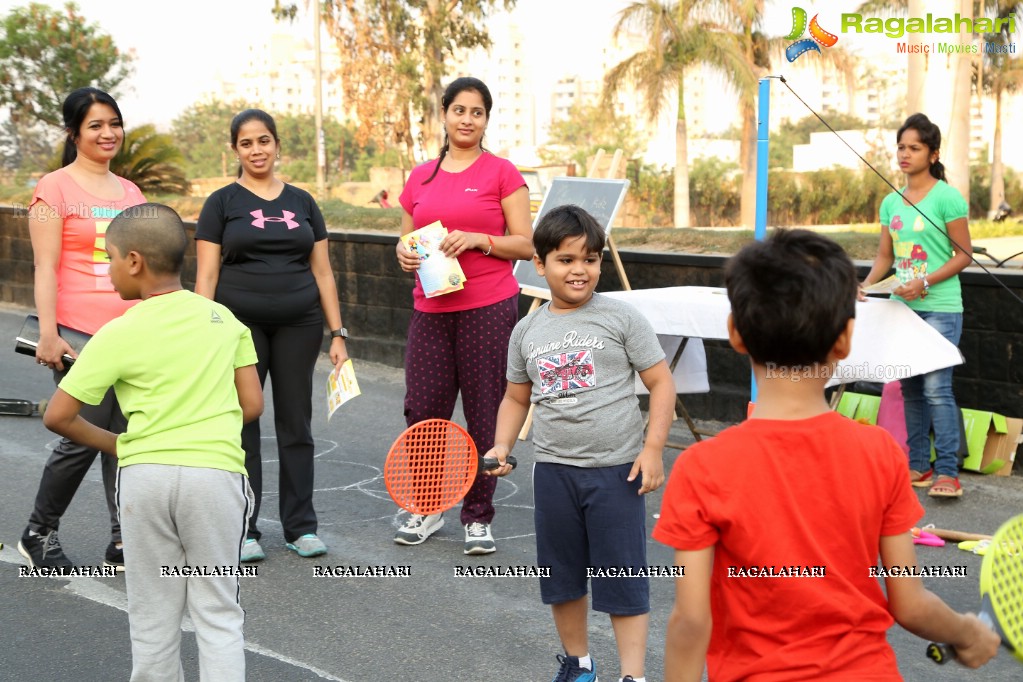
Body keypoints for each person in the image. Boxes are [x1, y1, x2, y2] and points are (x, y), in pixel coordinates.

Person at [654, 230, 999, 681]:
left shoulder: (703, 467)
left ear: (736, 334)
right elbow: (910, 604)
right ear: (845, 338)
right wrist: (966, 632)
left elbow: (691, 620)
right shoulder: (880, 452)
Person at [42, 203, 262, 681]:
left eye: (111, 258)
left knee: (153, 614)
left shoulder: (116, 332)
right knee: (217, 612)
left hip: (146, 481)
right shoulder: (225, 320)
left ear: (136, 262)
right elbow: (252, 406)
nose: (109, 268)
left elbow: (58, 415)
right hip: (215, 477)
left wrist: (119, 444)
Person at [484, 205, 675, 682]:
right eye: (566, 260)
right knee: (562, 578)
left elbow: (662, 384)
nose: (580, 270)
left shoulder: (620, 317)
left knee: (622, 578)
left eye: (590, 260)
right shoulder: (526, 330)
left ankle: (633, 675)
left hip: (617, 471)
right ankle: (580, 665)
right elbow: (514, 397)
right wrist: (500, 446)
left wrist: (652, 450)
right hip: (553, 472)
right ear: (540, 263)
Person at [195, 108, 348, 561]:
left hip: (300, 325)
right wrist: (204, 333)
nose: (257, 150)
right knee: (242, 420)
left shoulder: (302, 202)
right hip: (237, 327)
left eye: (264, 141)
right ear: (235, 150)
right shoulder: (221, 203)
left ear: (277, 144)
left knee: (295, 424)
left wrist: (337, 333)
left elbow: (323, 274)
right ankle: (243, 528)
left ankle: (300, 527)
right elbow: (205, 277)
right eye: (246, 143)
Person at [393, 76, 535, 554]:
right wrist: (404, 254)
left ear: (486, 120)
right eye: (459, 110)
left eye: (477, 112)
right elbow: (407, 237)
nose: (467, 119)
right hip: (430, 309)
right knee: (424, 410)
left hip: (488, 308)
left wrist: (479, 240)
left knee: (484, 412)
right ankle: (428, 506)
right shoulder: (420, 177)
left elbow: (527, 242)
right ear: (445, 114)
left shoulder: (502, 173)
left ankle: (478, 517)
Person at [17, 86, 146, 570]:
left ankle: (122, 540)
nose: (108, 133)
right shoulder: (53, 188)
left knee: (127, 434)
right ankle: (39, 530)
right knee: (81, 435)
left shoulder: (131, 192)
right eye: (95, 125)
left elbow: (142, 267)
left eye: (114, 123)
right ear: (74, 134)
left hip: (129, 331)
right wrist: (49, 333)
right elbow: (44, 267)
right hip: (77, 332)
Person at [861, 113, 972, 498]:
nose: (905, 155)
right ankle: (917, 467)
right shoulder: (891, 202)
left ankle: (947, 473)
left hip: (940, 306)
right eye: (901, 147)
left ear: (933, 153)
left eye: (915, 148)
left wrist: (924, 281)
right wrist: (866, 285)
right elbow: (883, 257)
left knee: (937, 389)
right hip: (900, 308)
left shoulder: (947, 196)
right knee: (909, 390)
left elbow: (963, 255)